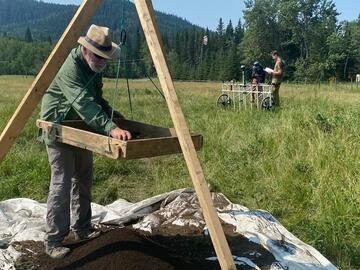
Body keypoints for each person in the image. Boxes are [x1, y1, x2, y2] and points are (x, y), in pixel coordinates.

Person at [39, 24, 131, 259]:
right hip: (59, 126)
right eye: (98, 56)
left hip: (83, 128)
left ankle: (81, 228)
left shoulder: (94, 69)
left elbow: (97, 100)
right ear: (86, 50)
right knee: (61, 182)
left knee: (84, 177)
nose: (102, 61)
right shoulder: (71, 67)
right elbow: (85, 105)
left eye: (105, 57)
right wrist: (111, 128)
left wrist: (113, 114)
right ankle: (54, 240)